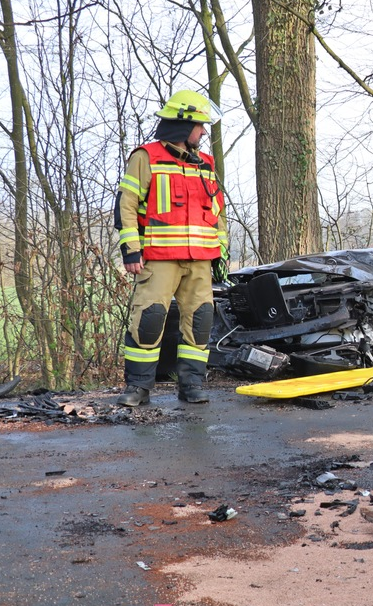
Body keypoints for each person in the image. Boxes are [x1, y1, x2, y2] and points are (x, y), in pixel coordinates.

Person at [114, 90, 228, 406]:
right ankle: (138, 387)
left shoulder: (206, 163)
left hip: (201, 259)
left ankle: (192, 385)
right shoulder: (145, 157)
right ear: (183, 124)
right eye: (200, 126)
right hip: (159, 258)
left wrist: (221, 253)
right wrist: (131, 250)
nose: (203, 132)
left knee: (201, 321)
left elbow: (217, 211)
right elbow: (126, 204)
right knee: (149, 320)